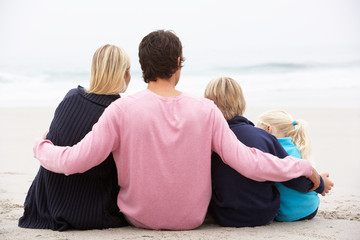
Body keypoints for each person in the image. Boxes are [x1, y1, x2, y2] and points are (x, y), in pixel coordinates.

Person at [32, 30, 320, 231]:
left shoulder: (120, 110)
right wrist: (302, 166)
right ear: (178, 65)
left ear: (142, 66)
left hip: (139, 218)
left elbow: (75, 161)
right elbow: (248, 162)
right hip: (191, 219)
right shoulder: (205, 109)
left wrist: (41, 147)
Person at [19, 44, 131, 231]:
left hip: (43, 206)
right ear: (123, 74)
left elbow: (54, 139)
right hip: (90, 210)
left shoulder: (71, 97)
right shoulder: (119, 112)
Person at [204, 77, 329, 227]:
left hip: (224, 215)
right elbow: (289, 175)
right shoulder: (263, 136)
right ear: (241, 102)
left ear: (209, 104)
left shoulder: (208, 141)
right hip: (263, 213)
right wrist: (320, 184)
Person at [257, 109, 334, 221]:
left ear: (269, 129)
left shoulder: (271, 151)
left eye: (258, 129)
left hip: (286, 214)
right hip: (311, 209)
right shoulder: (296, 149)